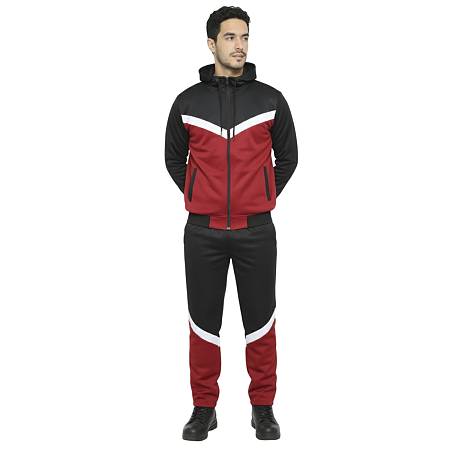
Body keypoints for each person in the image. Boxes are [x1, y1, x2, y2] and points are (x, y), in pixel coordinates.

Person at [165, 5, 298, 441]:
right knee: (203, 323)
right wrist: (199, 193)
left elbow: (288, 159)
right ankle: (204, 408)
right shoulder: (187, 102)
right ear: (211, 43)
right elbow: (173, 159)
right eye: (229, 37)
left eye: (244, 37)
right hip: (201, 232)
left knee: (261, 321)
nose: (239, 46)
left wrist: (261, 194)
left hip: (256, 231)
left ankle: (263, 408)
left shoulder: (270, 100)